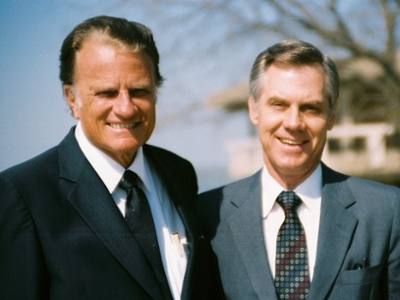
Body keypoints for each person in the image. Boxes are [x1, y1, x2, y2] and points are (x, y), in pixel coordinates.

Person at [0, 15, 212, 300]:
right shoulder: (25, 194)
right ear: (72, 99)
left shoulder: (179, 173)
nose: (125, 108)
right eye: (107, 93)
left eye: (139, 91)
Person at [197, 40, 400, 299]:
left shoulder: (386, 211)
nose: (293, 123)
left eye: (310, 108)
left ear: (332, 116)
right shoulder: (208, 215)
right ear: (254, 110)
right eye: (279, 104)